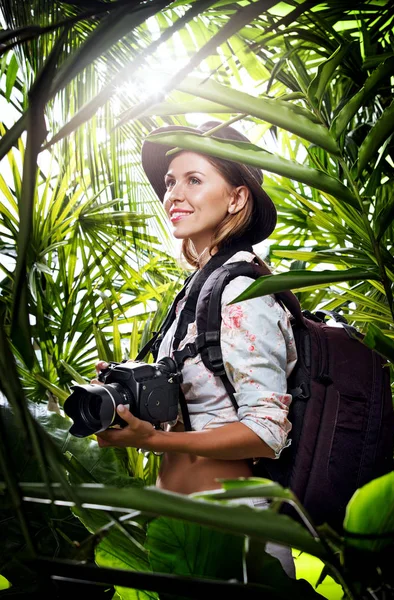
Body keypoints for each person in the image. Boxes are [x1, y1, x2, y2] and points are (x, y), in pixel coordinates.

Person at [94, 121, 298, 577]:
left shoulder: (244, 291)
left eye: (194, 180)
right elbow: (198, 407)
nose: (174, 196)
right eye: (170, 183)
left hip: (236, 538)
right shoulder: (196, 291)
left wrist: (154, 440)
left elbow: (267, 432)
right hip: (181, 531)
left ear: (236, 198)